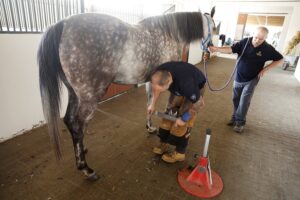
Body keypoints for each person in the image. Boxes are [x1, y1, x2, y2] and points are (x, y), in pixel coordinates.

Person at [208, 26, 284, 133]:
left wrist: (266, 69)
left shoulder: (267, 49)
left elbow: (280, 59)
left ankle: (240, 122)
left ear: (265, 38)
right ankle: (235, 117)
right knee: (236, 99)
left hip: (252, 79)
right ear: (253, 34)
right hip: (238, 77)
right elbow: (231, 49)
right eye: (256, 37)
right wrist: (216, 49)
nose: (257, 40)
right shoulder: (244, 42)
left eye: (261, 39)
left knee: (244, 101)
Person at [148, 61, 206, 163]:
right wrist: (152, 104)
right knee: (169, 113)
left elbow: (198, 103)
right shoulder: (159, 73)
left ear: (169, 82)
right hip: (178, 84)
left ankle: (179, 153)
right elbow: (156, 88)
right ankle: (164, 142)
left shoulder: (187, 84)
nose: (160, 92)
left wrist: (184, 118)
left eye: (162, 90)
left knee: (183, 120)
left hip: (195, 86)